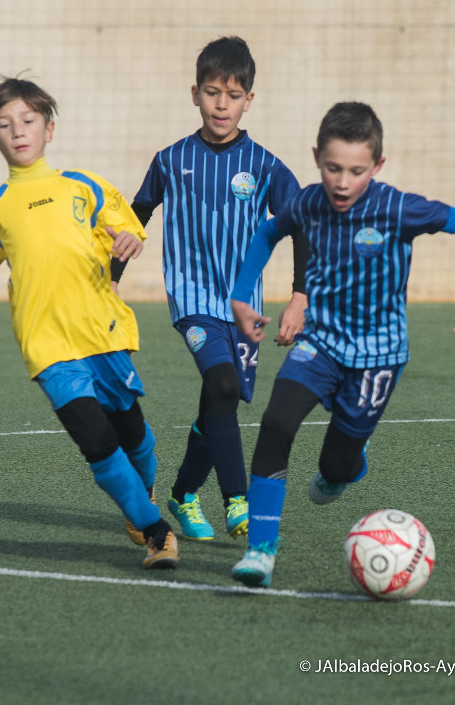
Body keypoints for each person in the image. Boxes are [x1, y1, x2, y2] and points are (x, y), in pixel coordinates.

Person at [0, 77, 180, 570]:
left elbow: (128, 228)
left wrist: (129, 242)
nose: (18, 131)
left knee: (133, 433)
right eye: (5, 125)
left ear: (49, 128)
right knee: (95, 441)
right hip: (47, 345)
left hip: (103, 333)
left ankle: (144, 493)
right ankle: (157, 531)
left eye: (28, 121)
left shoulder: (84, 186)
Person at [227, 101, 455, 588]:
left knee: (335, 469)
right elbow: (268, 232)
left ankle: (349, 460)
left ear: (377, 166)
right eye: (333, 168)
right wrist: (241, 297)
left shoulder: (397, 207)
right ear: (316, 158)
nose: (342, 182)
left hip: (378, 357)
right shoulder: (309, 202)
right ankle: (261, 550)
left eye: (356, 171)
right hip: (320, 344)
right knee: (276, 422)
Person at [113, 36, 308, 543]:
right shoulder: (171, 159)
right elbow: (136, 214)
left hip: (244, 307)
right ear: (194, 93)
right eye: (212, 92)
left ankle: (181, 494)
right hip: (193, 300)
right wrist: (109, 282)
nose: (222, 104)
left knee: (218, 403)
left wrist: (300, 296)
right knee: (222, 386)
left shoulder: (265, 166)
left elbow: (302, 226)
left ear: (249, 101)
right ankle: (237, 499)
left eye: (234, 94)